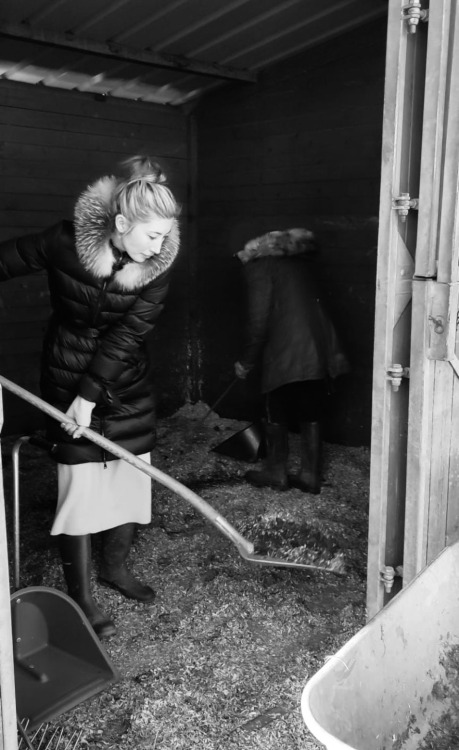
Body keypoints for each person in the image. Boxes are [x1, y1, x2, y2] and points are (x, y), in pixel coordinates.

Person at [0, 155, 181, 638]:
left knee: (130, 470)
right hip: (65, 369)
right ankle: (80, 594)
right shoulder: (64, 243)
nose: (159, 247)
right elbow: (4, 259)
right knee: (80, 480)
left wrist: (91, 397)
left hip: (125, 380)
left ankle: (115, 567)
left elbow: (127, 336)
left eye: (165, 236)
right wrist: (76, 397)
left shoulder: (157, 265)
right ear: (122, 223)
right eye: (151, 235)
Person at [234, 228, 349, 494]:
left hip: (286, 350)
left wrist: (246, 362)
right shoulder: (300, 264)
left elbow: (258, 320)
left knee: (275, 405)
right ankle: (310, 474)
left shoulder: (260, 266)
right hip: (318, 347)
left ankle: (276, 471)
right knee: (310, 407)